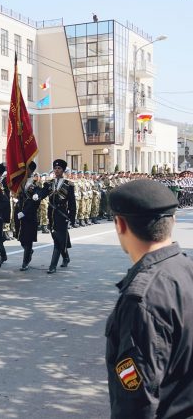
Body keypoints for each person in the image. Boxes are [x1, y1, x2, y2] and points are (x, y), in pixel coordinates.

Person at [105, 179, 193, 418]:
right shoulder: (186, 269)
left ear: (120, 224)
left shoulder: (141, 299)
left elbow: (138, 401)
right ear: (172, 221)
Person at [41, 159, 76, 274]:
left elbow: (72, 202)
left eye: (59, 168)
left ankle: (52, 265)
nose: (56, 170)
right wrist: (37, 195)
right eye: (55, 168)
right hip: (51, 213)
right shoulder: (49, 183)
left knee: (58, 240)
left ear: (63, 170)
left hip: (62, 214)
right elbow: (43, 192)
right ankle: (65, 257)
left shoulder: (68, 184)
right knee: (56, 237)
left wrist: (72, 218)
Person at [14, 161, 43, 271]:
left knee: (28, 238)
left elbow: (35, 202)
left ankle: (25, 262)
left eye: (26, 169)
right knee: (21, 238)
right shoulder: (21, 182)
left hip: (29, 215)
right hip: (19, 212)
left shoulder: (36, 184)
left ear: (31, 170)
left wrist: (25, 212)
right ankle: (29, 251)